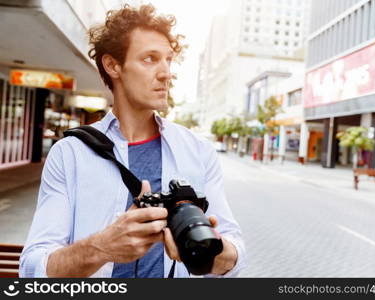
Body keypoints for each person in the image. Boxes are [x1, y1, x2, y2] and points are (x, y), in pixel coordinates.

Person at [19, 4, 246, 278]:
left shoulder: (198, 151)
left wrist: (211, 249)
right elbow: (32, 270)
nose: (166, 73)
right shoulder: (70, 154)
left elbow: (235, 257)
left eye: (168, 60)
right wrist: (101, 247)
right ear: (113, 65)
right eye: (150, 58)